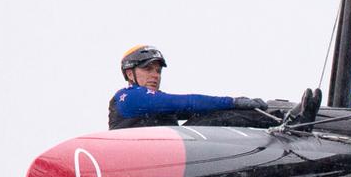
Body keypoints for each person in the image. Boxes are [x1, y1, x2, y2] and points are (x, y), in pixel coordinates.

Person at [108, 45, 268, 130]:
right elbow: (187, 102)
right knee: (221, 117)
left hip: (164, 160)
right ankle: (284, 123)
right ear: (130, 74)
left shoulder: (151, 101)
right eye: (148, 69)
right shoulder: (129, 97)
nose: (155, 75)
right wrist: (234, 102)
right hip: (148, 161)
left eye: (158, 70)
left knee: (217, 112)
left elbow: (193, 109)